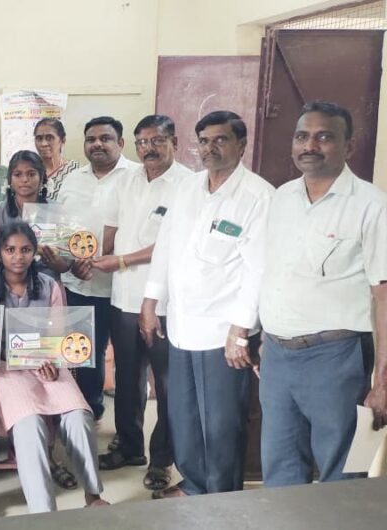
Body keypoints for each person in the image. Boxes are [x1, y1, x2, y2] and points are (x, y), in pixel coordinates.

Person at [140, 110, 273, 499]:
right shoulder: (188, 188)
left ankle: (221, 495)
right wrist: (150, 301)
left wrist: (240, 329)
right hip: (182, 325)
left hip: (223, 333)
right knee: (183, 416)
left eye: (221, 140)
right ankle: (195, 485)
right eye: (204, 141)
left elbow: (259, 270)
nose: (210, 148)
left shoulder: (258, 196)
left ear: (241, 145)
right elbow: (166, 247)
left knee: (221, 423)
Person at [259, 101, 387, 486]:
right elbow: (275, 272)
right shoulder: (282, 198)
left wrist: (383, 381)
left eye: (324, 137)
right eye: (302, 136)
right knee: (279, 466)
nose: (309, 146)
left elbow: (384, 295)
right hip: (277, 357)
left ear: (349, 146)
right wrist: (264, 336)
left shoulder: (371, 205)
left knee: (341, 468)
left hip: (335, 357)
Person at [0, 222, 108, 513]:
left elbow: (59, 333)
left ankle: (93, 495)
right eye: (10, 250)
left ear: (35, 252)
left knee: (79, 416)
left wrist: (51, 361)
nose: (18, 257)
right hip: (6, 369)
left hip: (48, 364)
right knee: (29, 424)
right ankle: (43, 512)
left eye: (26, 249)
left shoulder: (49, 285)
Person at [91, 115, 188, 491]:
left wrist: (119, 260)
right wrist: (92, 259)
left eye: (157, 141)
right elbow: (111, 231)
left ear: (174, 142)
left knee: (166, 384)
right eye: (142, 142)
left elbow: (171, 244)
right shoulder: (127, 180)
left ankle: (163, 459)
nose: (149, 148)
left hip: (164, 302)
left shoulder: (188, 185)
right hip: (123, 297)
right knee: (128, 380)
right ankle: (130, 447)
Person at [56, 116, 141, 419]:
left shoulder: (137, 177)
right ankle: (90, 412)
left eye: (105, 138)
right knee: (85, 354)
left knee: (130, 363)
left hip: (123, 286)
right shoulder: (73, 179)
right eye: (91, 139)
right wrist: (71, 264)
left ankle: (128, 434)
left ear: (121, 143)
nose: (97, 144)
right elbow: (63, 227)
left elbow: (134, 230)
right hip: (79, 284)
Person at [0, 150, 66, 278]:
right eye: (18, 174)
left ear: (41, 178)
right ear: (10, 180)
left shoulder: (56, 211)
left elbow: (66, 264)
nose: (24, 180)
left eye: (31, 174)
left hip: (48, 284)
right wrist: (11, 252)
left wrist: (51, 258)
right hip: (7, 285)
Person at [34, 118, 80, 201]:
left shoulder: (75, 170)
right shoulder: (29, 170)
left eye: (49, 138)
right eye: (39, 138)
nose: (43, 144)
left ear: (63, 140)